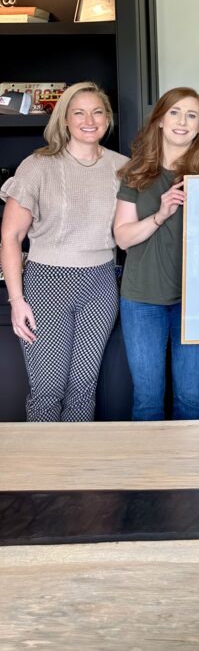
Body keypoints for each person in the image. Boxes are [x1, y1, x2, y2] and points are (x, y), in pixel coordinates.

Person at [0, 82, 126, 421]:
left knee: (83, 391)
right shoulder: (37, 166)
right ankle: (43, 459)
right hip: (47, 285)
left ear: (107, 118)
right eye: (79, 113)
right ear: (65, 119)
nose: (89, 120)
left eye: (97, 112)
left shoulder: (123, 168)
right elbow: (10, 237)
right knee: (47, 391)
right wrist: (16, 301)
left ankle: (75, 458)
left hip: (100, 285)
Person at [114, 87, 199, 420]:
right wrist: (160, 215)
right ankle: (150, 459)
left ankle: (193, 459)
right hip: (142, 298)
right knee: (147, 399)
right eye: (174, 112)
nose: (182, 121)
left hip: (195, 301)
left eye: (192, 116)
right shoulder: (136, 171)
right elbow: (122, 237)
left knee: (190, 396)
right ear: (160, 120)